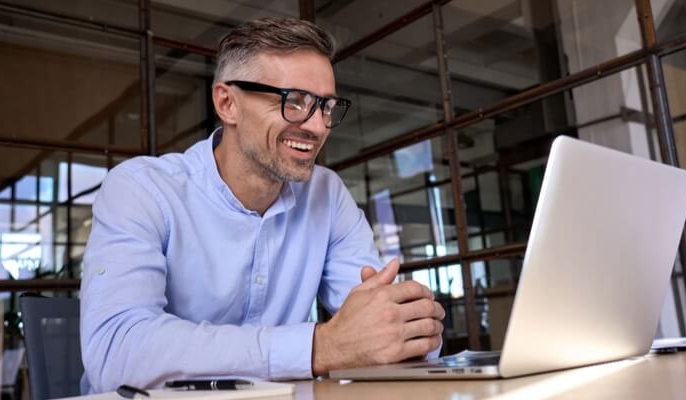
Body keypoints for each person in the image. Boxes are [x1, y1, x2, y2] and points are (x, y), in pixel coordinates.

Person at [80, 17, 445, 393]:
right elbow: (116, 351)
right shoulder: (142, 189)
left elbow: (380, 330)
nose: (318, 126)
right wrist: (319, 347)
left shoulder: (327, 195)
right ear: (227, 103)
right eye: (295, 102)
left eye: (326, 106)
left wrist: (408, 327)